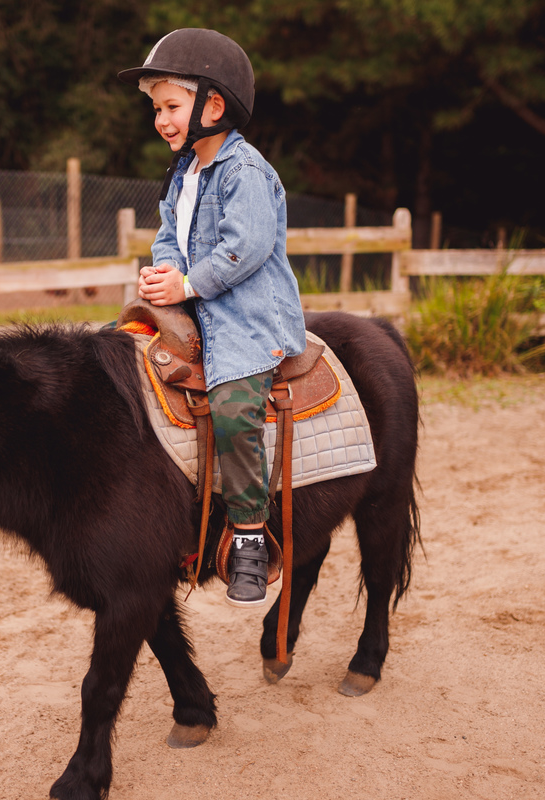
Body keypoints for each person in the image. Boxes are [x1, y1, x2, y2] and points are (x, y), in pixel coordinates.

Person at [118, 29, 308, 608]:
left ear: (213, 106)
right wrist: (164, 275)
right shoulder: (184, 172)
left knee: (231, 405)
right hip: (196, 307)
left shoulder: (243, 170)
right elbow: (168, 235)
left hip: (246, 317)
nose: (161, 120)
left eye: (171, 107)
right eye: (156, 109)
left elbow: (244, 248)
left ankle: (249, 533)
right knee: (119, 366)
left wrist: (188, 283)